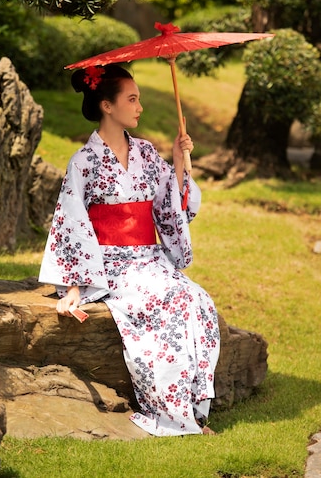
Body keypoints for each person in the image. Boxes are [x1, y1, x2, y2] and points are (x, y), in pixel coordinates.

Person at [38, 63, 220, 437]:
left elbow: (171, 202)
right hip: (110, 264)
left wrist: (180, 160)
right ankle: (171, 416)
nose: (140, 107)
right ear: (107, 106)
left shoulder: (147, 153)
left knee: (197, 299)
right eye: (132, 99)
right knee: (167, 302)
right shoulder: (83, 162)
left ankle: (194, 407)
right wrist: (75, 285)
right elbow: (72, 224)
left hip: (150, 259)